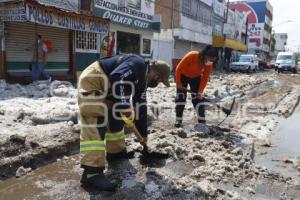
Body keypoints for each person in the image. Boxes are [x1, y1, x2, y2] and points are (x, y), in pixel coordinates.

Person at [78, 55, 170, 191]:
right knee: (96, 121)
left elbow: (140, 107)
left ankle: (115, 153)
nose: (157, 83)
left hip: (109, 87)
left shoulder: (142, 83)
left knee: (115, 119)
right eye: (160, 80)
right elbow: (117, 76)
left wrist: (143, 136)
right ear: (157, 74)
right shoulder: (138, 64)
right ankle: (92, 173)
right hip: (94, 80)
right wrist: (123, 103)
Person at [174, 45, 219, 128]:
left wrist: (200, 91)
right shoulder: (192, 55)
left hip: (195, 78)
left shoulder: (209, 65)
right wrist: (178, 83)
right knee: (181, 98)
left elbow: (205, 78)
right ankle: (178, 120)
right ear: (204, 55)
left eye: (213, 60)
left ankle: (202, 121)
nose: (210, 61)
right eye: (209, 59)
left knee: (198, 99)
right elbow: (178, 68)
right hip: (183, 75)